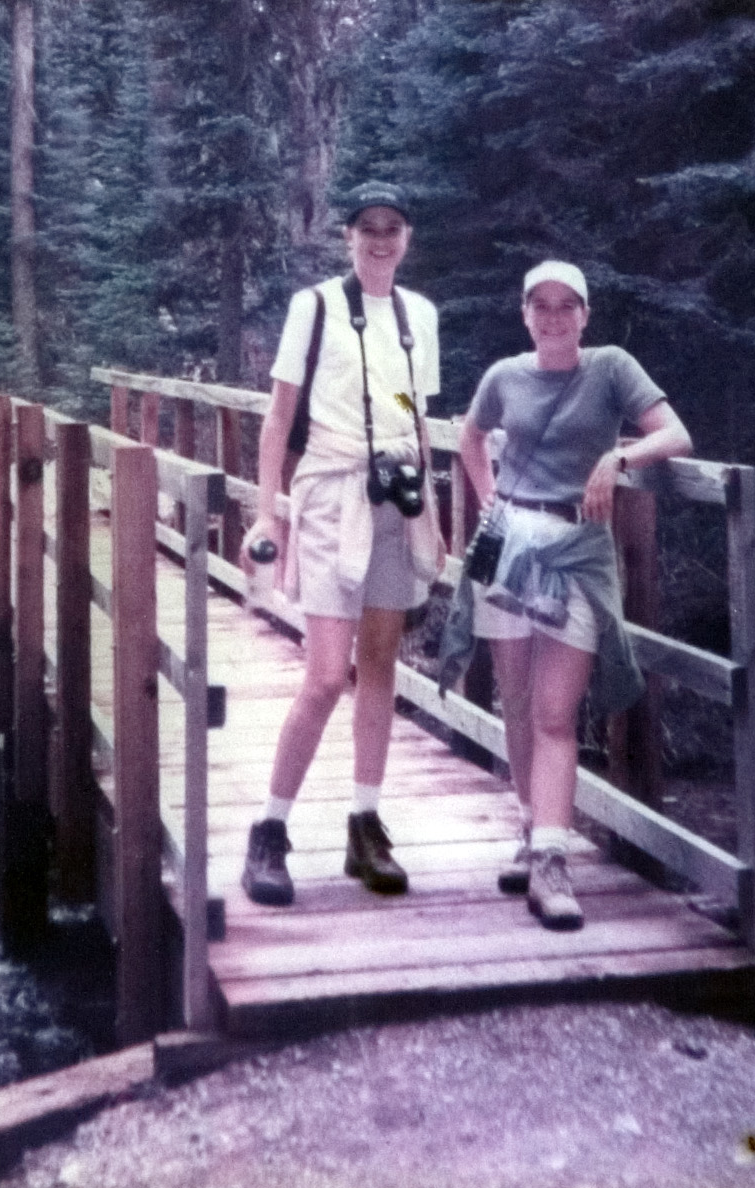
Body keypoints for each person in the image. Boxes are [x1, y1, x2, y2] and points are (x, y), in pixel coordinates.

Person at [441, 261, 692, 930]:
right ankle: (532, 831)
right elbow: (469, 436)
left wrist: (618, 459)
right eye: (540, 305)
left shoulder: (610, 366)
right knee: (518, 703)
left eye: (566, 305)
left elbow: (675, 433)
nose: (553, 316)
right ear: (525, 313)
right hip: (507, 540)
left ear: (585, 313)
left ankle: (553, 861)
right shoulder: (503, 375)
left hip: (576, 545)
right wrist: (489, 496)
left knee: (556, 711)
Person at [239, 181, 443, 906]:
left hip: (396, 501)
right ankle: (269, 831)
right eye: (367, 229)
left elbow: (413, 414)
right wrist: (269, 515)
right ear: (348, 238)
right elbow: (276, 421)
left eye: (392, 227)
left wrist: (431, 508)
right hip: (330, 496)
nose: (380, 240)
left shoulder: (420, 315)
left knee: (381, 662)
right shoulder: (316, 307)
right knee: (327, 674)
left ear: (407, 237)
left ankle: (365, 823)